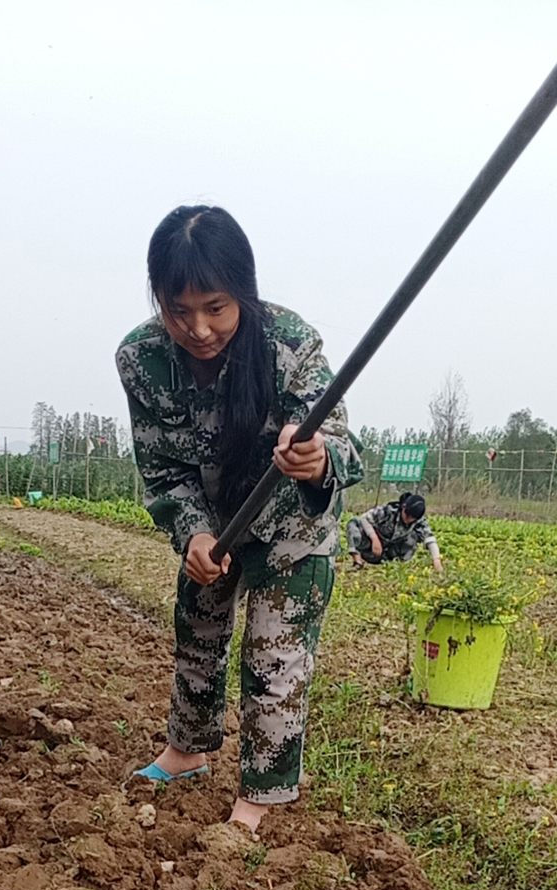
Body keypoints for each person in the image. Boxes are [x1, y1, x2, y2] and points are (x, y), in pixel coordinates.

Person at [116, 205, 364, 831]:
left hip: (290, 525)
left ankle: (260, 795)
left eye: (216, 308)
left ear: (243, 295)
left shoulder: (290, 344)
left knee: (274, 655)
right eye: (179, 311)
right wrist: (194, 534)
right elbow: (162, 469)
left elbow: (344, 445)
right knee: (196, 626)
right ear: (159, 299)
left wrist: (317, 459)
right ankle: (187, 751)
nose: (198, 328)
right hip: (214, 521)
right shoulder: (142, 359)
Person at [346, 491, 442, 571]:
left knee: (414, 535)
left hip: (390, 554)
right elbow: (364, 518)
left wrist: (436, 560)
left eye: (412, 519)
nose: (408, 520)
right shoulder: (388, 511)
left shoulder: (419, 521)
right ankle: (358, 562)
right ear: (403, 507)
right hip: (370, 548)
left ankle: (400, 566)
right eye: (407, 516)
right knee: (353, 523)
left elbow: (430, 539)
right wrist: (374, 538)